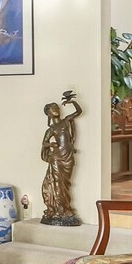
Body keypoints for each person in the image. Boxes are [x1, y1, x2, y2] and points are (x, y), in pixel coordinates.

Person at [41, 90, 83, 227]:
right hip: (56, 158)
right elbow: (44, 143)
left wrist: (72, 101)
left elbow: (78, 111)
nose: (56, 110)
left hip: (68, 156)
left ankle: (65, 210)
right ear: (48, 113)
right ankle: (60, 210)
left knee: (65, 183)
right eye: (53, 109)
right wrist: (51, 144)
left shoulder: (66, 121)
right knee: (57, 183)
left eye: (57, 108)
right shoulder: (51, 129)